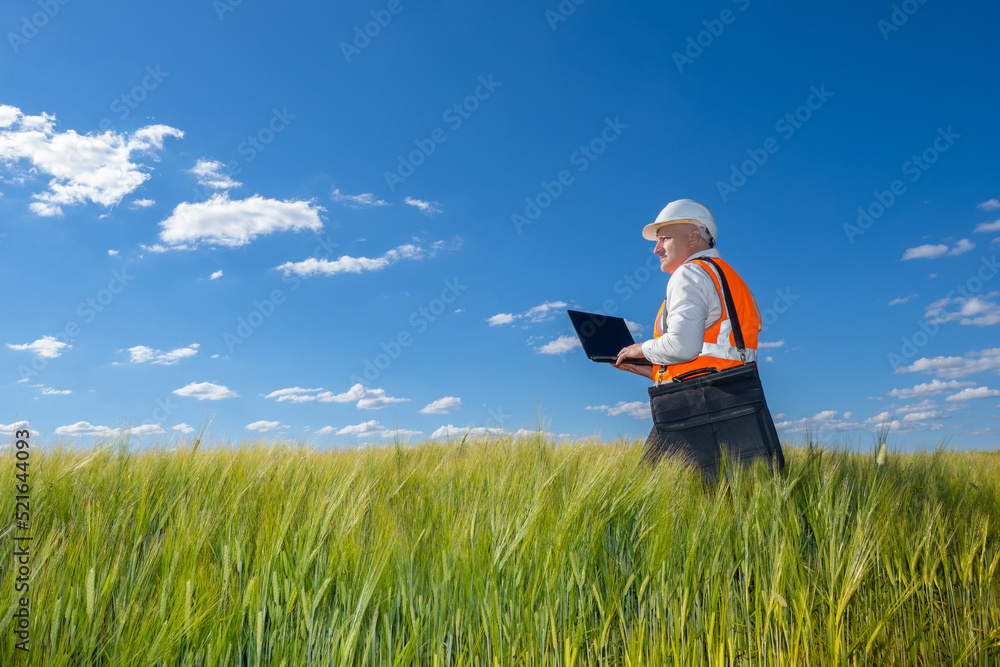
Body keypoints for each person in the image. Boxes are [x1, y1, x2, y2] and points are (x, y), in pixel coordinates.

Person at [612, 198, 763, 464]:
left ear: (694, 238)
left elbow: (683, 346)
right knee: (726, 494)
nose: (656, 249)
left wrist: (639, 349)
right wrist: (650, 369)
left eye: (664, 238)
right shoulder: (731, 279)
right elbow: (715, 355)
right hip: (737, 403)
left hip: (692, 408)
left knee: (653, 497)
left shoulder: (689, 274)